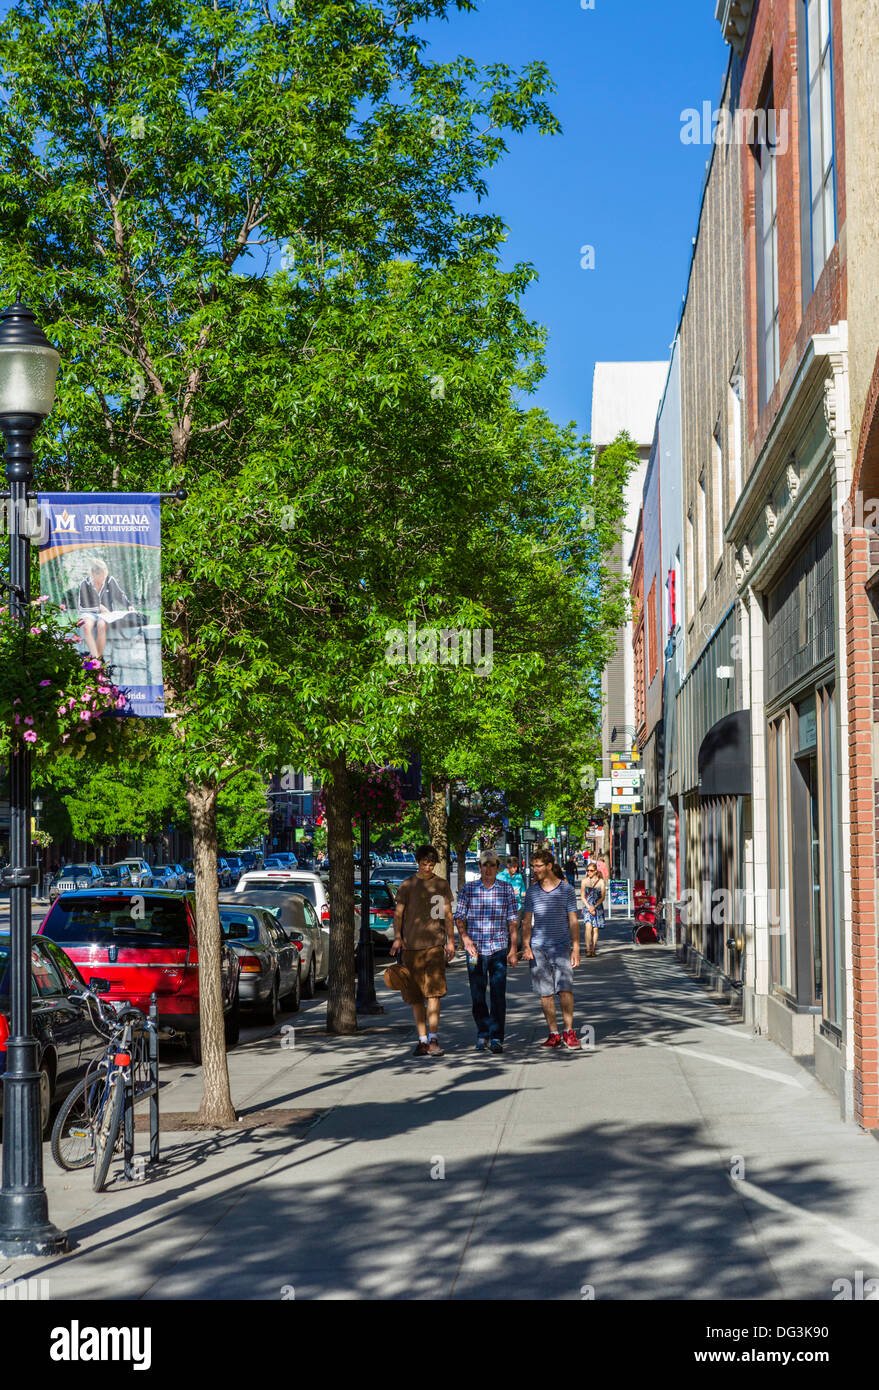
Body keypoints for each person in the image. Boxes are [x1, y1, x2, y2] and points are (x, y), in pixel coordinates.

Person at [387, 845, 455, 1057]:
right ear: (418, 862)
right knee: (416, 996)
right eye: (424, 864)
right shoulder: (407, 885)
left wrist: (451, 941)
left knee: (434, 994)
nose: (427, 867)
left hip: (434, 946)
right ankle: (422, 1039)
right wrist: (398, 938)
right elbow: (398, 914)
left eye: (431, 864)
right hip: (411, 948)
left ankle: (434, 1038)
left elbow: (447, 914)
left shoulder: (441, 885)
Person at [455, 850, 520, 1054]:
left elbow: (512, 920)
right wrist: (465, 939)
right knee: (477, 995)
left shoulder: (506, 889)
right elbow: (459, 916)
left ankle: (496, 1037)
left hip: (498, 948)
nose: (488, 869)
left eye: (492, 865)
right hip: (475, 951)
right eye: (485, 865)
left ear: (497, 867)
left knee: (498, 995)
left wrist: (513, 948)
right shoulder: (469, 889)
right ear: (480, 867)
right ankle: (482, 1033)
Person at [522, 847, 582, 1049]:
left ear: (549, 866)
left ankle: (569, 1031)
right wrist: (526, 945)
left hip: (562, 945)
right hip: (538, 948)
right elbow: (527, 920)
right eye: (533, 866)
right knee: (545, 993)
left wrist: (576, 947)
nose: (535, 870)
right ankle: (553, 1033)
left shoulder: (566, 890)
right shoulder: (532, 891)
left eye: (538, 866)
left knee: (565, 989)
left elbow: (573, 920)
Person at [77, 558, 135, 660]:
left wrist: (129, 605)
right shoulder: (84, 583)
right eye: (100, 577)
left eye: (104, 576)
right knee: (86, 627)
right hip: (89, 613)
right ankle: (97, 658)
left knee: (101, 625)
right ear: (93, 575)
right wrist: (99, 607)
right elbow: (82, 605)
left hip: (105, 615)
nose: (103, 579)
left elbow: (119, 595)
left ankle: (97, 660)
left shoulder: (109, 580)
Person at [497, 854, 526, 949]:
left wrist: (523, 893)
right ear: (508, 866)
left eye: (516, 867)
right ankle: (506, 950)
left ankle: (516, 951)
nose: (515, 869)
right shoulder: (500, 877)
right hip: (503, 907)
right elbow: (497, 893)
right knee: (505, 930)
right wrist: (511, 892)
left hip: (516, 907)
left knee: (516, 929)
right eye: (513, 867)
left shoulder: (519, 877)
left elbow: (523, 891)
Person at [581, 860, 607, 957]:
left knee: (595, 929)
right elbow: (583, 896)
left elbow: (603, 897)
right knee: (588, 927)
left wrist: (594, 906)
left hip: (597, 907)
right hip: (587, 906)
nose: (589, 872)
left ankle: (593, 949)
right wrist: (589, 907)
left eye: (591, 870)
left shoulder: (601, 882)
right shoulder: (584, 881)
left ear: (596, 871)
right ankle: (588, 949)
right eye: (587, 870)